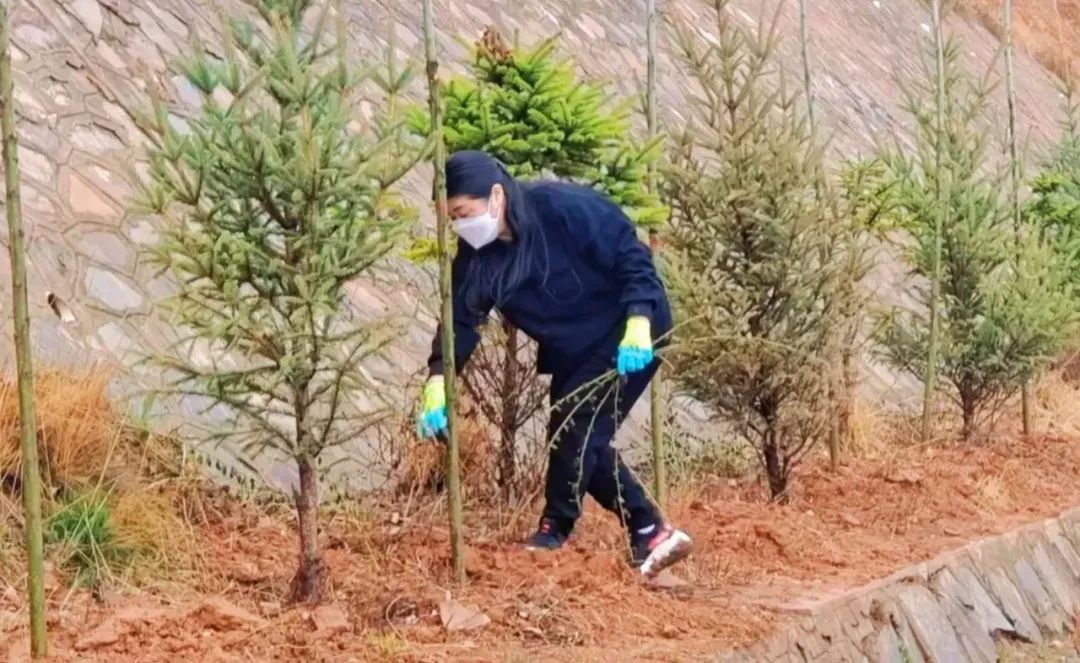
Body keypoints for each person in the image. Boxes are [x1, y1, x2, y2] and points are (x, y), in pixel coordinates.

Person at [416, 150, 692, 578]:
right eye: (451, 218)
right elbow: (461, 321)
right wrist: (439, 378)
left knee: (575, 429)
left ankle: (555, 531)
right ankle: (651, 531)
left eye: (463, 212)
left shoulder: (562, 208)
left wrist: (638, 318)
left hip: (629, 330)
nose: (460, 225)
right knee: (576, 435)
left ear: (495, 195)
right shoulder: (477, 257)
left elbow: (631, 257)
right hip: (577, 347)